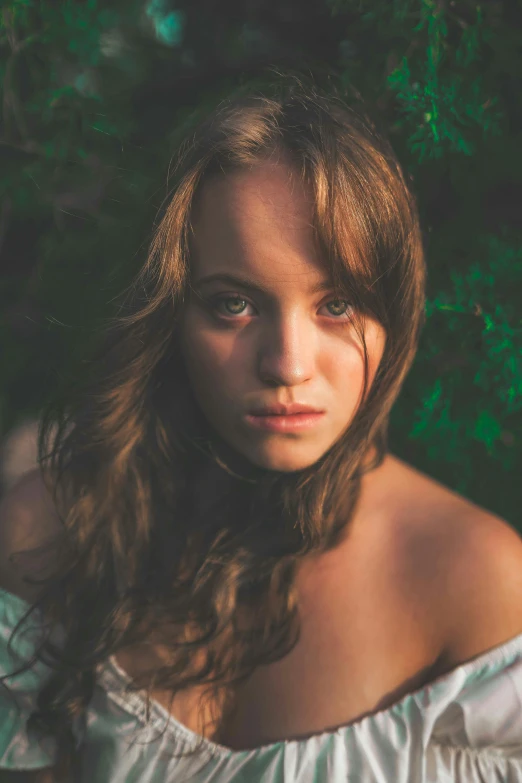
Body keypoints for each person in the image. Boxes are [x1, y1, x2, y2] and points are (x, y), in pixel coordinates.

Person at [1, 71, 522, 783]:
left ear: (394, 316)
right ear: (172, 313)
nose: (286, 365)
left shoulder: (477, 581)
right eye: (234, 305)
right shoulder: (50, 530)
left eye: (336, 304)